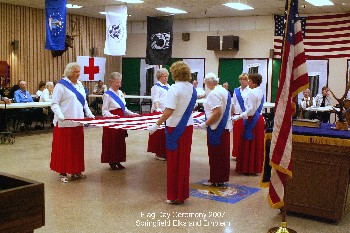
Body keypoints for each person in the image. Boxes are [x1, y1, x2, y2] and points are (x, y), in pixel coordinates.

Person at [147, 61, 196, 204]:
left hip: (175, 127)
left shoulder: (174, 88)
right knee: (184, 160)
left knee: (174, 161)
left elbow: (169, 110)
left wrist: (156, 124)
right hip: (188, 126)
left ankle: (174, 195)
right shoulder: (192, 88)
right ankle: (182, 193)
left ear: (175, 73)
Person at [50, 62, 94, 183]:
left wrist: (89, 114)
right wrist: (60, 115)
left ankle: (76, 170)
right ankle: (63, 172)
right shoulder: (61, 85)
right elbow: (54, 103)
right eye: (76, 72)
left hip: (78, 123)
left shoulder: (80, 85)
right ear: (69, 72)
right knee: (64, 148)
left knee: (76, 148)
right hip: (65, 123)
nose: (78, 74)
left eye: (79, 72)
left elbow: (84, 103)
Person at [198, 72, 232, 188]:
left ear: (209, 82)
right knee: (223, 155)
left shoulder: (214, 93)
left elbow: (217, 112)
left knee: (215, 155)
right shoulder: (225, 91)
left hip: (216, 128)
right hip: (225, 127)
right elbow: (230, 109)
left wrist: (204, 124)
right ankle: (221, 179)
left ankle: (215, 179)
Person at [101, 72, 138, 170]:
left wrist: (132, 113)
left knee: (119, 141)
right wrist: (113, 116)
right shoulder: (107, 94)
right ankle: (112, 161)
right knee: (112, 142)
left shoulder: (120, 93)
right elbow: (104, 110)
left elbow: (124, 108)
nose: (119, 84)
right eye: (117, 82)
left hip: (121, 120)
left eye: (119, 82)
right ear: (111, 82)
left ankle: (118, 160)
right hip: (112, 122)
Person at [231, 73, 265, 174]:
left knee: (248, 142)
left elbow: (250, 110)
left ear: (254, 83)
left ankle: (247, 168)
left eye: (249, 80)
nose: (248, 82)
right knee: (255, 144)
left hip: (251, 119)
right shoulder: (260, 92)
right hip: (258, 119)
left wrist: (239, 116)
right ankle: (254, 167)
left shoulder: (251, 93)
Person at [147, 68, 170, 161]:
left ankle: (165, 151)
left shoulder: (169, 86)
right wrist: (157, 108)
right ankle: (159, 152)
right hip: (159, 112)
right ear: (160, 77)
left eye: (167, 76)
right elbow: (155, 99)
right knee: (159, 134)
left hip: (168, 113)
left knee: (166, 134)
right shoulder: (156, 87)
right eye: (165, 76)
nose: (167, 78)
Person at [231, 73, 250, 159]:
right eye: (241, 79)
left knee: (244, 136)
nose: (242, 81)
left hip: (245, 116)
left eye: (244, 79)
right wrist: (231, 116)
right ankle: (237, 154)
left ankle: (244, 154)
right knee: (236, 136)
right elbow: (233, 104)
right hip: (236, 115)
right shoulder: (236, 90)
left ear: (248, 81)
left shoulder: (250, 91)